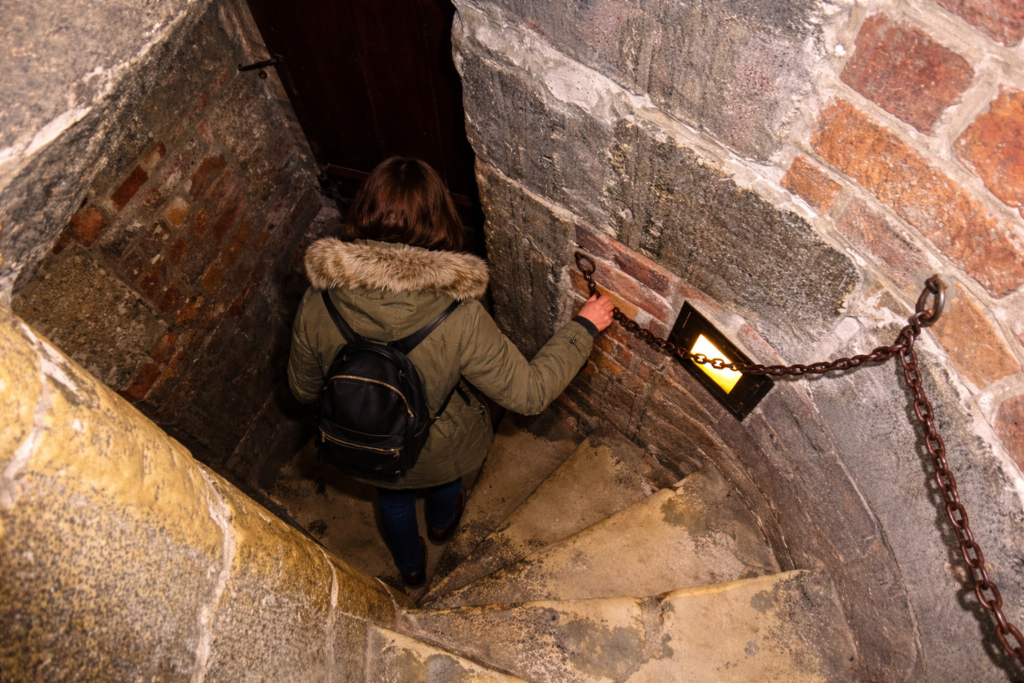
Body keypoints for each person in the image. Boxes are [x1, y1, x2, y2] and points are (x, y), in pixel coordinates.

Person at [287, 157, 614, 588]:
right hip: (441, 448)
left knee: (393, 499)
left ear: (362, 212)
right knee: (445, 483)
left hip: (369, 448)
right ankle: (442, 526)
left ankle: (411, 568)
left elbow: (303, 389)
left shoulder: (319, 300)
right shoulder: (459, 314)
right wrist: (584, 326)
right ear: (442, 220)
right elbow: (529, 394)